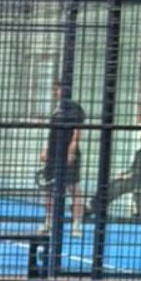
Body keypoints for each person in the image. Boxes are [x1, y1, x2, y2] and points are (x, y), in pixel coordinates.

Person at [88, 127, 141, 222]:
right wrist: (124, 174)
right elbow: (134, 168)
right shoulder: (139, 152)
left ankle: (94, 206)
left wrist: (131, 175)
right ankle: (95, 205)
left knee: (118, 186)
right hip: (137, 179)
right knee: (112, 183)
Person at [41, 96, 87, 235]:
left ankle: (76, 225)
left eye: (60, 88)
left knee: (73, 189)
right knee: (48, 189)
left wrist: (71, 151)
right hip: (54, 153)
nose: (58, 92)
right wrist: (46, 149)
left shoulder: (75, 109)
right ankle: (48, 223)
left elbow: (77, 133)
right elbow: (51, 133)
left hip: (68, 152)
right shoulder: (56, 110)